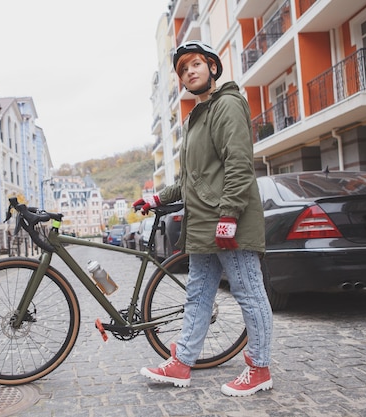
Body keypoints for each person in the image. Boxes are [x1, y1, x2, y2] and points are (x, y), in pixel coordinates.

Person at [133, 40, 273, 397]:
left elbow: (239, 165)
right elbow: (190, 180)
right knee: (197, 294)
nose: (189, 72)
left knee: (248, 292)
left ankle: (259, 369)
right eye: (183, 69)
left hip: (227, 222)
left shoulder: (226, 105)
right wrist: (156, 198)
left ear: (212, 67)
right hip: (202, 225)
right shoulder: (198, 116)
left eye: (195, 64)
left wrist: (229, 216)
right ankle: (182, 363)